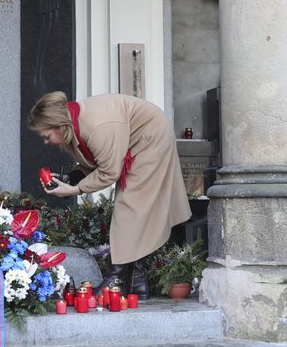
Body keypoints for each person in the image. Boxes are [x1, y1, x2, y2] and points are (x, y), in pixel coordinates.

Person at [27, 91, 191, 299]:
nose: (46, 142)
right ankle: (137, 282)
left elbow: (109, 172)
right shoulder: (75, 123)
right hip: (137, 139)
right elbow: (95, 160)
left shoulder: (97, 127)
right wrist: (71, 177)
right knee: (132, 207)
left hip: (151, 138)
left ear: (59, 126)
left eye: (46, 136)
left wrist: (75, 189)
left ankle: (116, 278)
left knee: (129, 206)